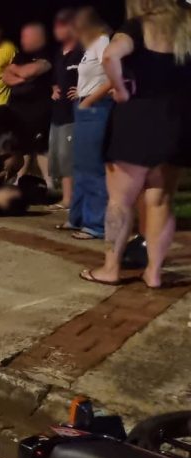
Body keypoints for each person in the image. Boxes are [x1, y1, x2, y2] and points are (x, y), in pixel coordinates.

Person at [82, 0, 191, 288]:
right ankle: (154, 274)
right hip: (177, 123)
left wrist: (119, 89)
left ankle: (110, 268)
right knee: (161, 201)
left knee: (120, 201)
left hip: (136, 121)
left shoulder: (139, 26)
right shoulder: (188, 27)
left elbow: (110, 56)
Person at [60, 7, 114, 241]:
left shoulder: (104, 42)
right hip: (83, 106)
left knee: (92, 167)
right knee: (80, 165)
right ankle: (78, 217)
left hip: (96, 108)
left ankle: (96, 224)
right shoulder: (88, 47)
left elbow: (114, 77)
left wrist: (89, 99)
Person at [4, 22, 54, 188]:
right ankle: (19, 180)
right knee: (20, 146)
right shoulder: (20, 56)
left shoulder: (47, 54)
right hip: (17, 109)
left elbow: (28, 72)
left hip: (38, 108)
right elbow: (6, 77)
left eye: (26, 36)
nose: (22, 40)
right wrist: (23, 77)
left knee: (40, 147)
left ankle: (49, 182)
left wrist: (20, 73)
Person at [49, 8, 84, 210]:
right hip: (58, 112)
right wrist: (52, 88)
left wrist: (82, 90)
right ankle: (66, 198)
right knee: (60, 157)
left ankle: (71, 200)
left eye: (61, 26)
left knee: (69, 157)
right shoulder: (58, 53)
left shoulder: (82, 51)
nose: (57, 30)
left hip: (74, 113)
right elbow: (54, 80)